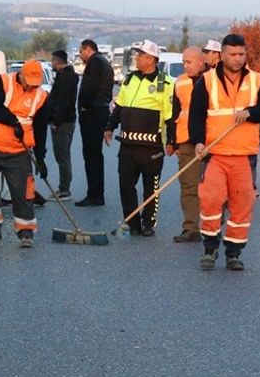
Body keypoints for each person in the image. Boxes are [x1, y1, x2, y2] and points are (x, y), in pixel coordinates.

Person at [187, 33, 260, 270]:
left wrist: (251, 112)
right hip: (214, 153)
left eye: (241, 54)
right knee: (210, 201)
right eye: (233, 54)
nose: (238, 59)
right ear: (222, 55)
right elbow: (196, 115)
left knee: (242, 204)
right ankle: (209, 249)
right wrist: (197, 142)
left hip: (244, 156)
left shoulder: (258, 81)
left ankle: (234, 253)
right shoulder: (206, 81)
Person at [104, 40, 174, 236]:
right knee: (125, 186)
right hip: (127, 144)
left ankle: (148, 223)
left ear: (151, 59)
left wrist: (171, 141)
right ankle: (131, 222)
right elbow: (120, 106)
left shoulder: (166, 83)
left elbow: (170, 115)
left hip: (151, 147)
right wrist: (110, 127)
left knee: (150, 188)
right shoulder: (129, 79)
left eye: (140, 55)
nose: (136, 58)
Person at [0, 60, 49, 248]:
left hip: (19, 152)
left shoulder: (41, 96)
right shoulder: (2, 82)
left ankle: (26, 232)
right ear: (21, 75)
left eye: (36, 82)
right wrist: (14, 122)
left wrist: (40, 158)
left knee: (23, 193)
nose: (31, 86)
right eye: (29, 81)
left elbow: (41, 129)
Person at [167, 47, 207, 243]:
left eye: (188, 62)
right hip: (186, 141)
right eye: (184, 62)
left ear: (201, 62)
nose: (185, 66)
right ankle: (191, 227)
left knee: (213, 187)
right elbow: (175, 111)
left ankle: (212, 226)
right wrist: (172, 141)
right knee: (188, 185)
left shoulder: (213, 79)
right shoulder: (180, 82)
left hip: (211, 141)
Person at [75, 39, 114, 207]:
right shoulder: (104, 62)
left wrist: (84, 105)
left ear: (88, 49)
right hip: (100, 110)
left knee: (91, 155)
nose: (80, 55)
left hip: (93, 112)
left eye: (81, 51)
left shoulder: (95, 62)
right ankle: (96, 193)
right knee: (95, 155)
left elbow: (90, 87)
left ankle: (94, 194)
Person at [48, 50, 78, 200]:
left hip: (63, 122)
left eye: (52, 60)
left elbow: (63, 101)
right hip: (66, 120)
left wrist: (56, 121)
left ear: (57, 60)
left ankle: (64, 189)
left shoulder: (66, 77)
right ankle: (63, 187)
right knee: (62, 155)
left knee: (62, 155)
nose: (51, 64)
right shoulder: (66, 75)